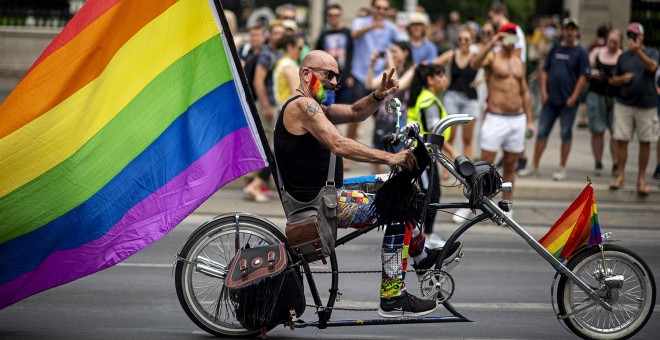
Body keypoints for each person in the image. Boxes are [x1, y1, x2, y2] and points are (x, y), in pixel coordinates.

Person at [274, 50, 461, 318]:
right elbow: (338, 144)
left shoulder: (316, 108)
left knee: (397, 186)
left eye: (337, 77)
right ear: (306, 74)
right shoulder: (303, 107)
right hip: (317, 204)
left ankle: (422, 258)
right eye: (329, 75)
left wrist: (378, 95)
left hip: (328, 192)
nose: (335, 82)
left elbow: (355, 111)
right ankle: (393, 297)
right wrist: (389, 157)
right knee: (395, 207)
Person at [470, 22, 532, 219]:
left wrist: (529, 120)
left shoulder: (519, 61)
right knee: (485, 166)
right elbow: (475, 64)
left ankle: (507, 208)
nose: (510, 39)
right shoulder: (492, 56)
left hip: (517, 119)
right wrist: (492, 42)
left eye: (513, 35)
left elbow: (524, 91)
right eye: (507, 35)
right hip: (496, 118)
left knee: (510, 165)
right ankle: (476, 203)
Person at [519, 18, 589, 181]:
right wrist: (543, 91)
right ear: (563, 31)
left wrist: (574, 97)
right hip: (550, 100)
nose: (569, 32)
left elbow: (583, 77)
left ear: (577, 32)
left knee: (566, 133)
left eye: (572, 29)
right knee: (542, 132)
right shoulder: (555, 48)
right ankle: (534, 166)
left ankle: (562, 168)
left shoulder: (581, 51)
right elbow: (545, 70)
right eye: (567, 29)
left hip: (568, 102)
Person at [406, 64, 455, 247]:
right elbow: (432, 134)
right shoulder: (428, 102)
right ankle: (423, 236)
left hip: (423, 153)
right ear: (430, 80)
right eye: (441, 76)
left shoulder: (425, 98)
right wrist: (453, 154)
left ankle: (425, 234)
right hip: (423, 154)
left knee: (431, 193)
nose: (445, 80)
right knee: (430, 195)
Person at [609, 23, 659, 195]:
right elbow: (613, 79)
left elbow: (653, 67)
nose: (633, 38)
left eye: (635, 35)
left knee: (645, 142)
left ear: (642, 37)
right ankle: (620, 176)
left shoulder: (652, 52)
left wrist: (638, 51)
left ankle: (641, 179)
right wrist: (621, 79)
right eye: (630, 35)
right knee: (622, 140)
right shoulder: (623, 57)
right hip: (625, 104)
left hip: (647, 105)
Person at [349, 0, 399, 161]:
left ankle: (374, 154)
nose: (381, 11)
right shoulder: (361, 22)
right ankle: (348, 153)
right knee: (355, 115)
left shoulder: (390, 28)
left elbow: (399, 45)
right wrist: (373, 26)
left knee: (380, 118)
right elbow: (354, 34)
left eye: (384, 8)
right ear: (372, 8)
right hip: (360, 74)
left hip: (379, 77)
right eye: (378, 7)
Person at [244, 21, 286, 202]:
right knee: (270, 147)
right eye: (275, 33)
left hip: (274, 104)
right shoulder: (266, 54)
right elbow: (258, 81)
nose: (278, 36)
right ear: (270, 36)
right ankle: (255, 184)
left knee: (270, 146)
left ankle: (258, 182)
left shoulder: (279, 54)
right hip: (266, 104)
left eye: (281, 34)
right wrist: (267, 105)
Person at [365, 42, 416, 174]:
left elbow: (399, 84)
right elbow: (369, 84)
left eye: (395, 51)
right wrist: (371, 64)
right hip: (383, 117)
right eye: (391, 52)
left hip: (400, 118)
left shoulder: (411, 70)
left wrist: (390, 62)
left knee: (398, 154)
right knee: (376, 153)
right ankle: (376, 187)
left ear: (405, 53)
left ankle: (395, 185)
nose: (392, 54)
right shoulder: (388, 71)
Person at [434, 27, 480, 161]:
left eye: (466, 39)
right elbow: (434, 65)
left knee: (467, 138)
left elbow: (490, 67)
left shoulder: (476, 57)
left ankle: (469, 171)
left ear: (472, 41)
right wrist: (441, 80)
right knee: (450, 136)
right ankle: (447, 169)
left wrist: (481, 80)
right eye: (460, 39)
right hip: (452, 96)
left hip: (470, 98)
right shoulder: (452, 54)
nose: (463, 42)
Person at [586, 30, 622, 177]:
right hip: (597, 95)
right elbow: (585, 69)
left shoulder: (622, 56)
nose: (612, 45)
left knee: (615, 131)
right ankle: (598, 162)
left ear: (620, 43)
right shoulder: (597, 52)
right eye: (610, 41)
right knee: (597, 130)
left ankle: (615, 163)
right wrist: (592, 73)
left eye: (615, 42)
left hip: (615, 97)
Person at [315, 4, 354, 106]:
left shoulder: (348, 33)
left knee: (347, 111)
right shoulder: (323, 35)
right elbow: (317, 56)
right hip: (326, 80)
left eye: (336, 15)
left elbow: (353, 55)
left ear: (341, 16)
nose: (333, 18)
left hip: (345, 78)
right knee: (326, 109)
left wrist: (351, 75)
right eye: (330, 15)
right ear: (327, 17)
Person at [272, 34, 304, 108]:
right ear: (289, 47)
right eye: (300, 48)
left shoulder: (283, 62)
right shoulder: (288, 65)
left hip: (284, 108)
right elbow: (296, 93)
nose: (301, 51)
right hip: (288, 109)